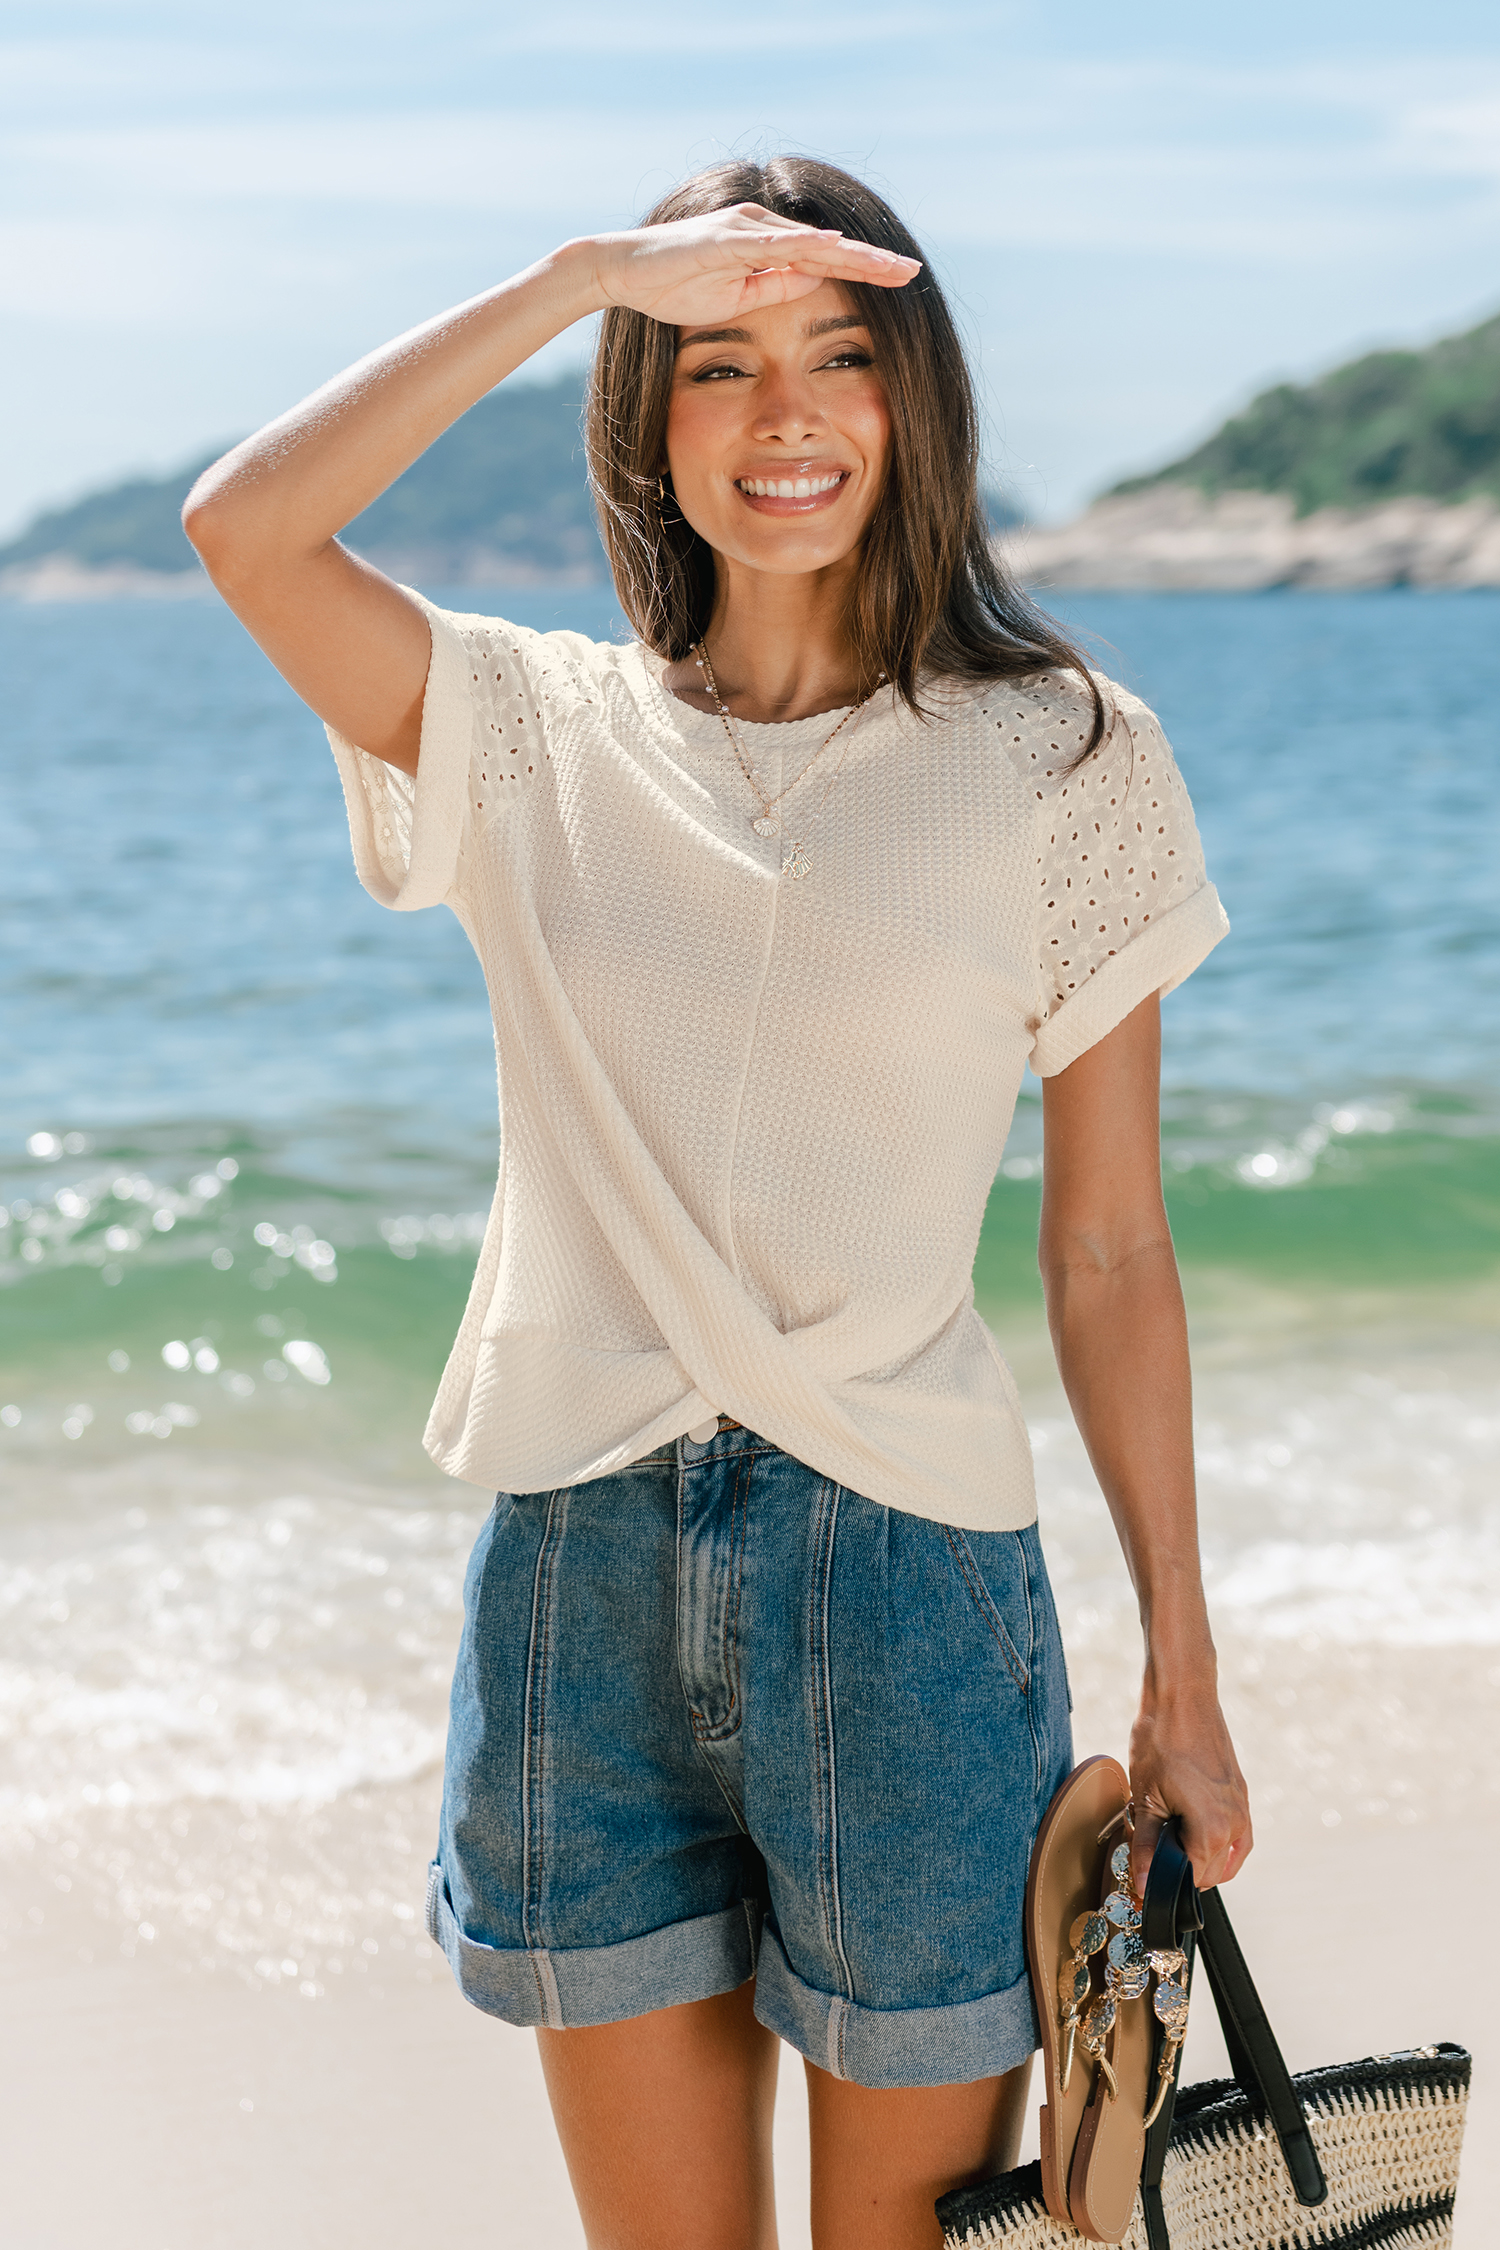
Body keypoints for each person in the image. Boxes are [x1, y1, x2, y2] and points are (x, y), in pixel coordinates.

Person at [184, 154, 1251, 2250]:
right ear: (643, 420)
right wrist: (581, 273)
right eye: (719, 365)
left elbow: (1110, 1247)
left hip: (910, 1596)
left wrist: (1184, 1672)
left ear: (913, 399)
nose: (786, 419)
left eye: (841, 358)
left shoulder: (1064, 758)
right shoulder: (524, 733)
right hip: (577, 1580)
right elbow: (247, 528)